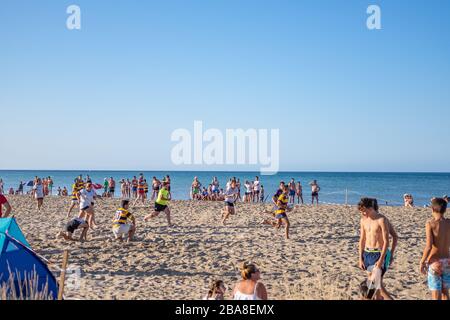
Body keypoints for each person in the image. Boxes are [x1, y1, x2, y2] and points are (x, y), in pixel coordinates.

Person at [358, 198, 390, 300]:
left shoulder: (381, 220)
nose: (363, 213)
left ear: (371, 208)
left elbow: (386, 241)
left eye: (364, 211)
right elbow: (362, 240)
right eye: (361, 211)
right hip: (367, 254)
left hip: (378, 254)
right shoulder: (363, 220)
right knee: (377, 289)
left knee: (370, 290)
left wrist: (381, 260)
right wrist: (360, 258)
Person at [419, 197, 450, 300]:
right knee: (445, 293)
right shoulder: (449, 222)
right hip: (447, 261)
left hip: (435, 262)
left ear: (432, 209)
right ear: (445, 210)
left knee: (436, 295)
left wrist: (422, 262)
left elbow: (428, 246)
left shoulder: (430, 224)